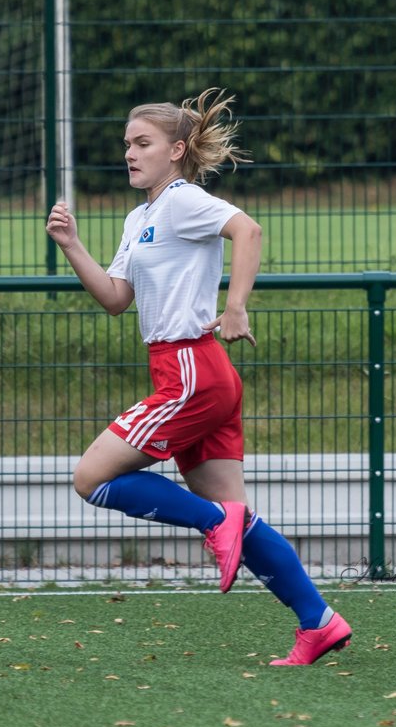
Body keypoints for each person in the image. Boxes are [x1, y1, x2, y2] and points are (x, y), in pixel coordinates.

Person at [45, 87, 351, 666]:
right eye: (126, 145)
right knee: (245, 521)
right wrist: (72, 246)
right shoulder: (140, 218)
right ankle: (319, 621)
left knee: (91, 478)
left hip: (191, 368)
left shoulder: (184, 200)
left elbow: (249, 231)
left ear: (177, 150)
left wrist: (236, 306)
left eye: (143, 143)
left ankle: (215, 522)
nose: (130, 154)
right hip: (197, 373)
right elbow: (115, 299)